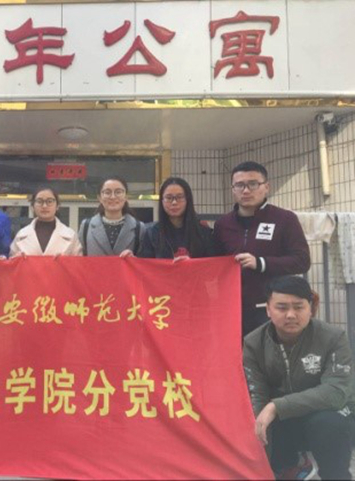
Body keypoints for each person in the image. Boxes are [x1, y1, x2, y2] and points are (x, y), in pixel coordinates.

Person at [243, 275, 355, 480]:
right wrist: (260, 464)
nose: (291, 315)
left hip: (327, 414)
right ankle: (289, 467)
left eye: (298, 307)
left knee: (329, 423)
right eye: (282, 307)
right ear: (268, 309)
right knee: (257, 419)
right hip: (285, 422)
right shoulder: (253, 343)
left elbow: (336, 392)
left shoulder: (333, 337)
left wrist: (276, 406)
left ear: (310, 308)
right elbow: (256, 396)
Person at [213, 161, 310, 337]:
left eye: (253, 184)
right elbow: (213, 262)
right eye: (239, 185)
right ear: (233, 189)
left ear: (266, 187)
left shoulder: (284, 219)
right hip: (231, 309)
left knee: (271, 353)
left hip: (272, 309)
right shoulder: (223, 224)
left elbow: (302, 261)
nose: (246, 190)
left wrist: (260, 263)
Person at [141, 177, 216, 259]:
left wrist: (190, 264)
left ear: (188, 200)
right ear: (161, 201)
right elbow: (145, 264)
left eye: (179, 197)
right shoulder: (151, 234)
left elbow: (212, 263)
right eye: (169, 198)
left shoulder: (204, 233)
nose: (174, 202)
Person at [79, 177, 145, 257]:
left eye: (118, 192)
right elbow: (79, 259)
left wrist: (133, 259)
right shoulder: (86, 226)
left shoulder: (139, 228)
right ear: (99, 198)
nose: (113, 197)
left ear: (126, 197)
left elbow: (144, 261)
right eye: (107, 192)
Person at [10, 187, 82, 257]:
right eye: (39, 201)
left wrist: (67, 261)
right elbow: (11, 262)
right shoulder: (21, 235)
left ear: (57, 206)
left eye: (49, 201)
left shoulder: (70, 235)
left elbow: (79, 263)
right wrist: (17, 259)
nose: (44, 206)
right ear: (32, 206)